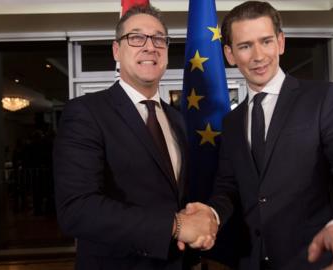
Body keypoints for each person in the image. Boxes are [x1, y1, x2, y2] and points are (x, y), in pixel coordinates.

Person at [185, 2, 333, 269]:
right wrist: (212, 213)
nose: (258, 55)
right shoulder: (231, 121)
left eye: (265, 41)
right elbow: (228, 186)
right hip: (250, 260)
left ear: (281, 42)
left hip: (312, 258)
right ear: (229, 54)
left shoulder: (323, 97)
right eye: (245, 46)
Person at [53, 5, 217, 270]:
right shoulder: (85, 112)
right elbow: (77, 209)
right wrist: (174, 226)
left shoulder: (177, 119)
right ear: (117, 50)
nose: (150, 46)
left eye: (159, 39)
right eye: (136, 37)